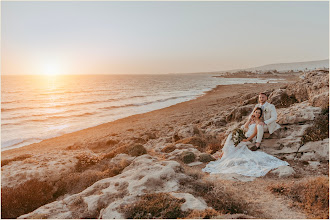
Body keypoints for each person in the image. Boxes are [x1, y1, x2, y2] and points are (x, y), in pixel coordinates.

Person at [202, 107, 288, 177]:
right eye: (256, 112)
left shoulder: (259, 122)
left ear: (260, 115)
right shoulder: (252, 121)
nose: (257, 114)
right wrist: (249, 120)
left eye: (259, 113)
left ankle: (224, 155)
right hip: (245, 136)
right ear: (253, 112)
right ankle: (224, 154)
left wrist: (246, 139)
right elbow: (245, 127)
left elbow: (254, 133)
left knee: (236, 142)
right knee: (231, 136)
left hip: (249, 139)